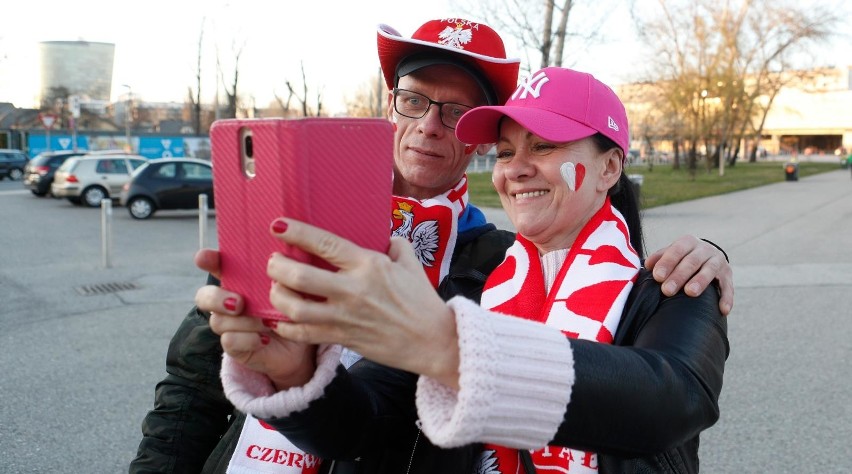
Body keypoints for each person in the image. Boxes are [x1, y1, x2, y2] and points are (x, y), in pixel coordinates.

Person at [133, 18, 732, 474]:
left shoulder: (487, 275)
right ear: (391, 105)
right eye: (507, 151)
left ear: (608, 168)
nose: (428, 125)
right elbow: (357, 419)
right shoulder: (475, 288)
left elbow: (668, 399)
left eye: (545, 147)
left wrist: (452, 347)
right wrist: (293, 374)